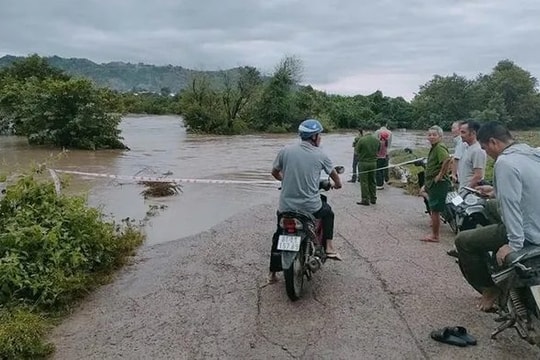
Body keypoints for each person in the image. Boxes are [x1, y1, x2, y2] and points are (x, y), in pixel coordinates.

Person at [455, 121, 540, 311]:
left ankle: (489, 289)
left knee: (463, 241)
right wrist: (495, 191)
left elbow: (511, 206)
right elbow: (526, 189)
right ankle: (495, 262)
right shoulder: (532, 153)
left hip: (528, 230)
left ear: (493, 142)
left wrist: (514, 245)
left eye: (485, 148)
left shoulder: (504, 162)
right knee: (490, 205)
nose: (486, 153)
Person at [268, 119, 343, 283]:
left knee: (279, 233)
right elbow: (334, 176)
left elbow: (275, 172)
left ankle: (272, 273)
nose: (320, 138)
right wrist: (337, 184)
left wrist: (286, 181)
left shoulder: (285, 151)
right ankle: (329, 247)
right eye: (320, 135)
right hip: (310, 206)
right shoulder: (320, 154)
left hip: (286, 206)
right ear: (315, 137)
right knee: (328, 212)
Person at [421, 125, 451, 242]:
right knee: (434, 208)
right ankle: (434, 233)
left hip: (438, 183)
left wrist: (440, 175)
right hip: (431, 183)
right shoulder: (434, 147)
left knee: (435, 210)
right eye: (430, 135)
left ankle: (435, 236)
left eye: (434, 135)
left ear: (440, 136)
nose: (431, 137)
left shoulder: (439, 147)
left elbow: (447, 160)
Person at [457, 120, 487, 192]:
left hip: (470, 193)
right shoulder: (466, 147)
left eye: (463, 132)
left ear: (473, 133)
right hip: (463, 188)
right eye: (460, 132)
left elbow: (478, 175)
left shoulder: (477, 150)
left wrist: (466, 190)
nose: (461, 135)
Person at [355, 129, 380, 206]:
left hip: (363, 163)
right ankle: (373, 198)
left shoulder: (361, 140)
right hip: (373, 163)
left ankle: (365, 199)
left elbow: (356, 151)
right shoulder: (377, 140)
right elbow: (378, 150)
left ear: (364, 131)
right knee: (372, 180)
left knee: (364, 182)